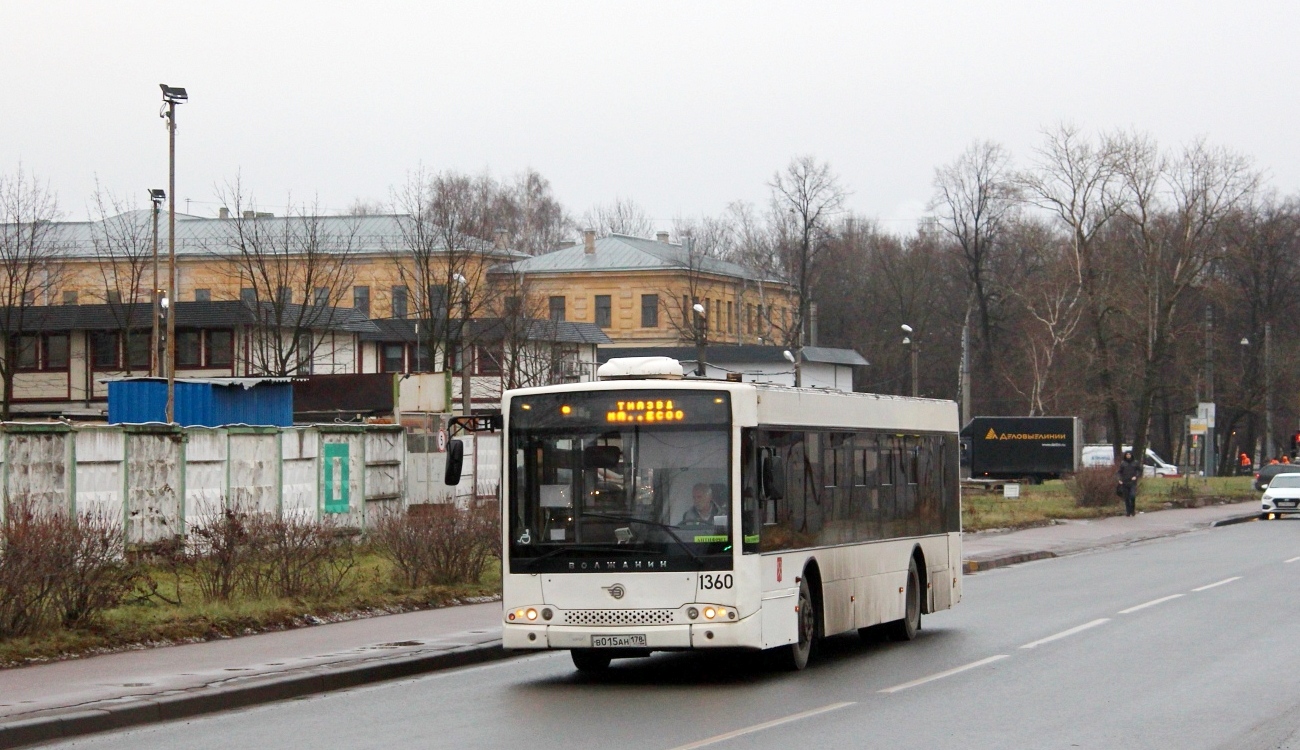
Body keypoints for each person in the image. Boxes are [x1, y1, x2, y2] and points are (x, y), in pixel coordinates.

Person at [1116, 450, 1141, 517]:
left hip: (1132, 482)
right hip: (1124, 482)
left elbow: (1139, 471)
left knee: (1132, 496)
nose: (1128, 456)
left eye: (1129, 454)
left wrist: (1136, 476)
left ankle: (1132, 509)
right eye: (1127, 455)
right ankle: (1128, 511)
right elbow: (1119, 472)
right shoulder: (1123, 463)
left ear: (1131, 455)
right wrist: (1119, 479)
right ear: (1125, 455)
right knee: (1126, 497)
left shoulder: (1135, 463)